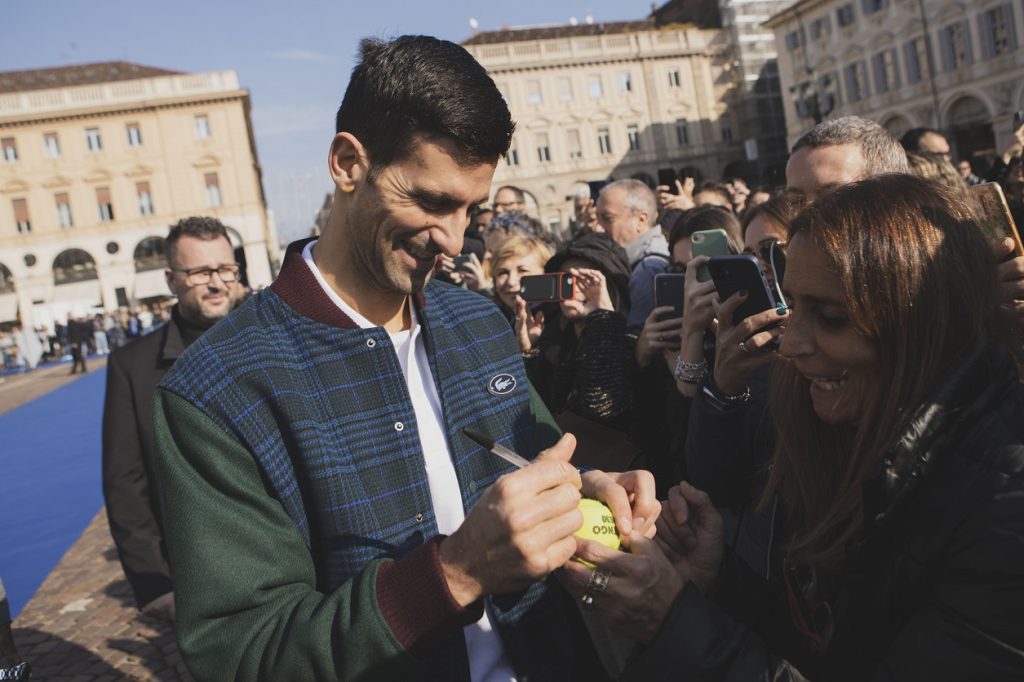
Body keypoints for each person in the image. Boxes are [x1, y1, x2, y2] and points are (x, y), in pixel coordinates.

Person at [152, 35, 655, 681]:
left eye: (470, 208)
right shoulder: (218, 390)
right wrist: (454, 573)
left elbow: (529, 459)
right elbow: (241, 656)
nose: (453, 238)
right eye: (432, 201)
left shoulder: (477, 321)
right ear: (346, 163)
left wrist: (584, 489)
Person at [564, 175, 1024, 679]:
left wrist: (674, 621)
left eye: (830, 317)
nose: (792, 342)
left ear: (924, 321)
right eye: (793, 305)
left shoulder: (1005, 506)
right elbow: (834, 648)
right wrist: (722, 582)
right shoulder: (846, 429)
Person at [102, 217, 245, 624]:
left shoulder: (272, 341)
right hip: (203, 574)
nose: (216, 282)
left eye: (225, 269)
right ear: (171, 279)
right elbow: (125, 482)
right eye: (200, 272)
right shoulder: (131, 367)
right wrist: (153, 582)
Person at [595, 179, 666, 331]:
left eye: (608, 219)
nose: (598, 228)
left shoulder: (646, 271)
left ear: (641, 220)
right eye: (598, 219)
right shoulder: (637, 263)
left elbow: (635, 341)